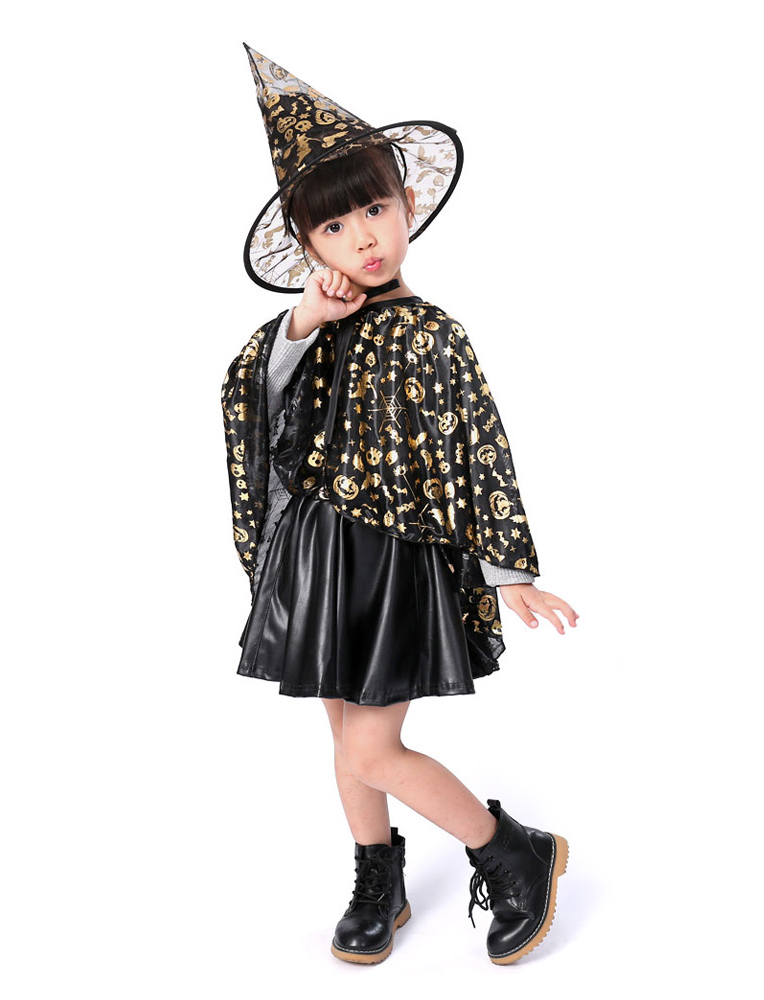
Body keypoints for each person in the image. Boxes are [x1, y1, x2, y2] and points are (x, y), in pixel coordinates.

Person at [221, 44, 580, 966]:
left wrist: (506, 568)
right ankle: (378, 874)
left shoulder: (432, 332)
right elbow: (252, 397)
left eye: (375, 209)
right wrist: (306, 320)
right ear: (309, 246)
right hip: (318, 556)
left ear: (407, 204)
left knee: (372, 749)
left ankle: (512, 851)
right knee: (345, 736)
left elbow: (476, 446)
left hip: (391, 562)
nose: (364, 239)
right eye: (336, 226)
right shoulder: (315, 325)